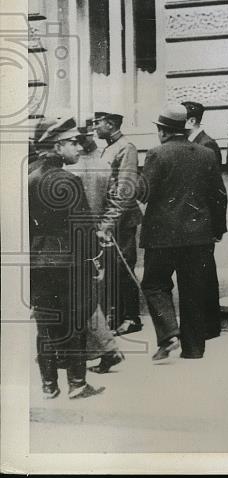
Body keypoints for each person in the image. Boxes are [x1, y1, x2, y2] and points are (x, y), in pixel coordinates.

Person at [139, 104, 227, 361]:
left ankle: (168, 334)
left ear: (163, 131)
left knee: (155, 284)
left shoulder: (156, 154)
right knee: (193, 289)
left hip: (162, 236)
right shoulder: (206, 154)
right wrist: (217, 229)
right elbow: (218, 196)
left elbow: (144, 192)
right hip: (199, 235)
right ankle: (194, 349)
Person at [29, 118, 104, 400]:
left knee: (45, 324)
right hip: (70, 262)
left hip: (38, 263)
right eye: (73, 142)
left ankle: (49, 386)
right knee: (75, 322)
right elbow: (83, 227)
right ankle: (77, 384)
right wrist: (96, 260)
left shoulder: (30, 178)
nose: (78, 147)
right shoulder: (68, 180)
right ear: (58, 146)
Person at [65, 121, 125, 375]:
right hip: (95, 238)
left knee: (80, 299)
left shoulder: (69, 171)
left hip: (73, 240)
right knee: (87, 296)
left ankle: (109, 349)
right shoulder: (103, 165)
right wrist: (103, 228)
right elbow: (115, 201)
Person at [93, 110, 143, 335]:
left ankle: (132, 318)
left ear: (111, 124)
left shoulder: (126, 148)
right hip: (110, 219)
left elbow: (125, 189)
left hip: (121, 220)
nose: (95, 127)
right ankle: (116, 317)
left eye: (98, 123)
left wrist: (109, 223)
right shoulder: (109, 147)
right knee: (110, 268)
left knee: (124, 268)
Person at [182, 100, 224, 342]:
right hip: (193, 221)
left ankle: (210, 324)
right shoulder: (191, 144)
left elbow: (216, 191)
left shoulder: (207, 145)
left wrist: (217, 226)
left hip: (203, 220)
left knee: (205, 273)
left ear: (191, 121)